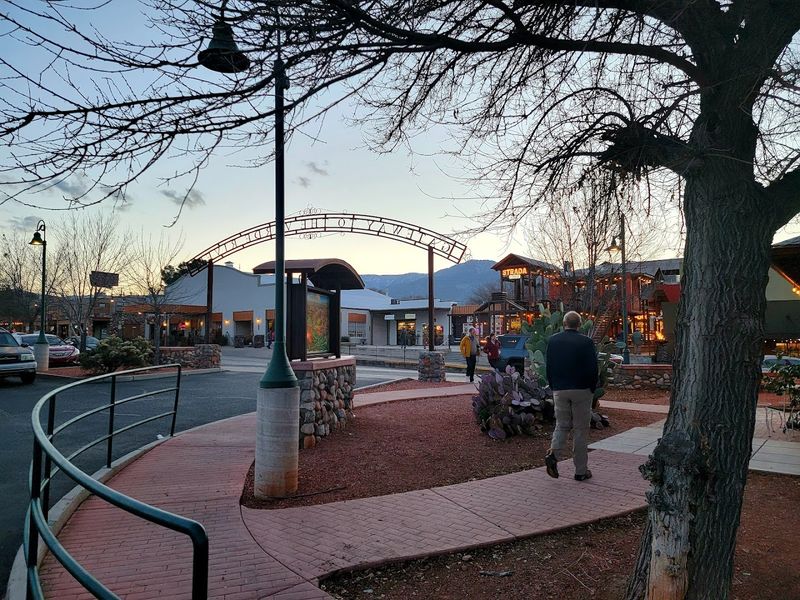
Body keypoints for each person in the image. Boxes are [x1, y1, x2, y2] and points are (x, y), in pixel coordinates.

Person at [544, 311, 598, 482]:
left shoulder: (553, 341)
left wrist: (553, 385)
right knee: (581, 430)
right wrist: (592, 387)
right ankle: (581, 471)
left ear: (564, 323)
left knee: (561, 425)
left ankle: (554, 454)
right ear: (579, 324)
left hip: (560, 388)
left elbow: (549, 365)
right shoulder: (586, 342)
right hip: (582, 389)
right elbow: (593, 367)